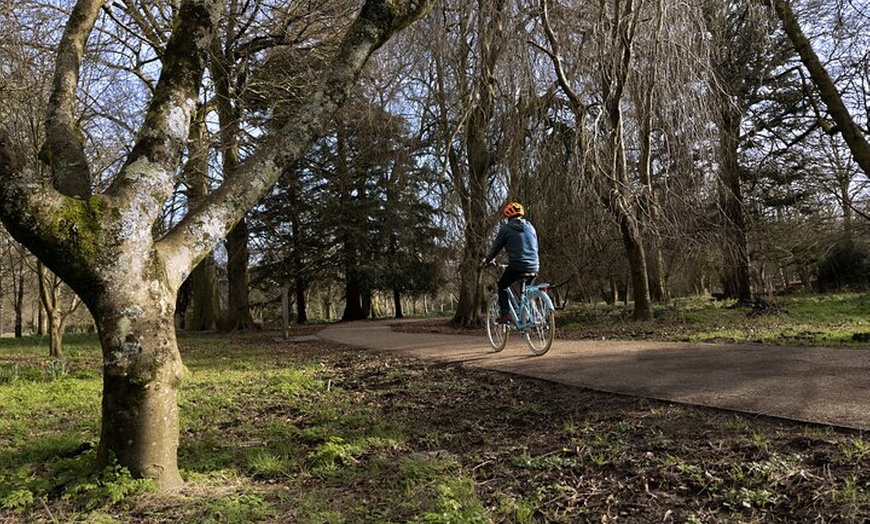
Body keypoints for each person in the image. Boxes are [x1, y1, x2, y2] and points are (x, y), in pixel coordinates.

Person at [481, 202, 540, 323]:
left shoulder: (506, 229)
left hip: (517, 265)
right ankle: (530, 316)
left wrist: (486, 261)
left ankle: (505, 314)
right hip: (534, 265)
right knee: (527, 289)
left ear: (508, 217)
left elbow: (496, 248)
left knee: (502, 285)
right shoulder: (530, 227)